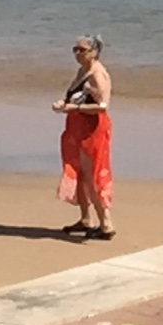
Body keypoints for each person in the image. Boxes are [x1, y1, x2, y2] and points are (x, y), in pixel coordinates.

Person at [55, 35, 114, 240]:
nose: (78, 54)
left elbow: (102, 106)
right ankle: (86, 219)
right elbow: (75, 95)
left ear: (94, 52)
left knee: (92, 176)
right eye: (75, 49)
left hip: (92, 129)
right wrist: (64, 103)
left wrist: (75, 108)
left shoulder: (98, 74)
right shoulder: (83, 70)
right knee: (80, 173)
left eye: (82, 50)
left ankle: (106, 224)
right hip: (77, 127)